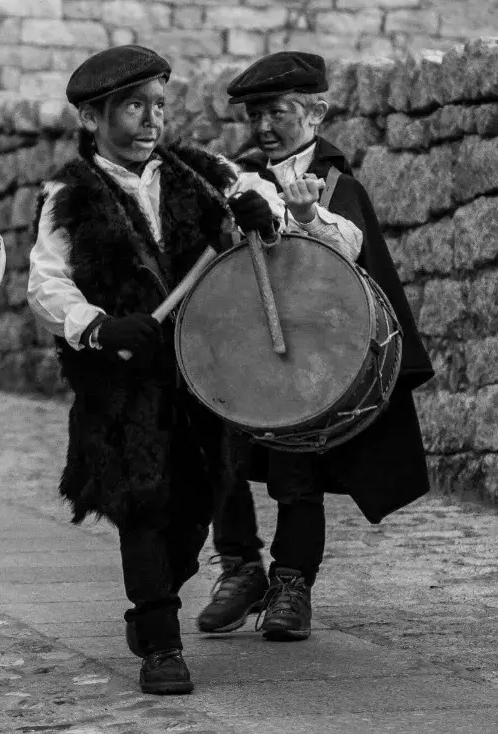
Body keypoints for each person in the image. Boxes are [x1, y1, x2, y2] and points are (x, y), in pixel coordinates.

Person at [25, 45, 348, 694]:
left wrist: (266, 213)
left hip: (201, 379)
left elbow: (257, 196)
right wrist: (99, 327)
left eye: (157, 106)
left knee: (195, 510)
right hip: (120, 384)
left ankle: (151, 606)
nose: (150, 120)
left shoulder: (199, 171)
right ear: (91, 117)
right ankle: (161, 645)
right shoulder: (68, 193)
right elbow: (46, 284)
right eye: (132, 107)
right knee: (141, 505)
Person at [195, 52, 432, 643]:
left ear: (317, 111)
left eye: (278, 111)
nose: (265, 125)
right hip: (243, 352)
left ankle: (292, 583)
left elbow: (349, 254)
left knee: (295, 468)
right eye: (256, 114)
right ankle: (240, 567)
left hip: (310, 363)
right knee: (219, 458)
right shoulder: (237, 178)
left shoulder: (336, 185)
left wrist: (305, 215)